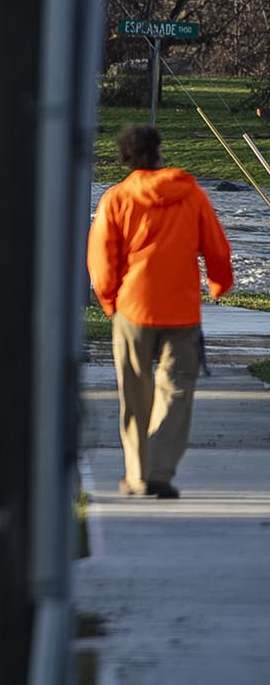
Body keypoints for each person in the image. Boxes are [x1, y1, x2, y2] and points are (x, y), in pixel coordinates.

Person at [87, 123, 233, 499]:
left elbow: (102, 259)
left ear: (125, 157)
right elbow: (216, 247)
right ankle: (159, 472)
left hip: (133, 307)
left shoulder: (116, 199)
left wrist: (108, 299)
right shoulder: (191, 195)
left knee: (134, 395)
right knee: (177, 391)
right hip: (181, 309)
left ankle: (137, 474)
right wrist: (219, 283)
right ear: (159, 152)